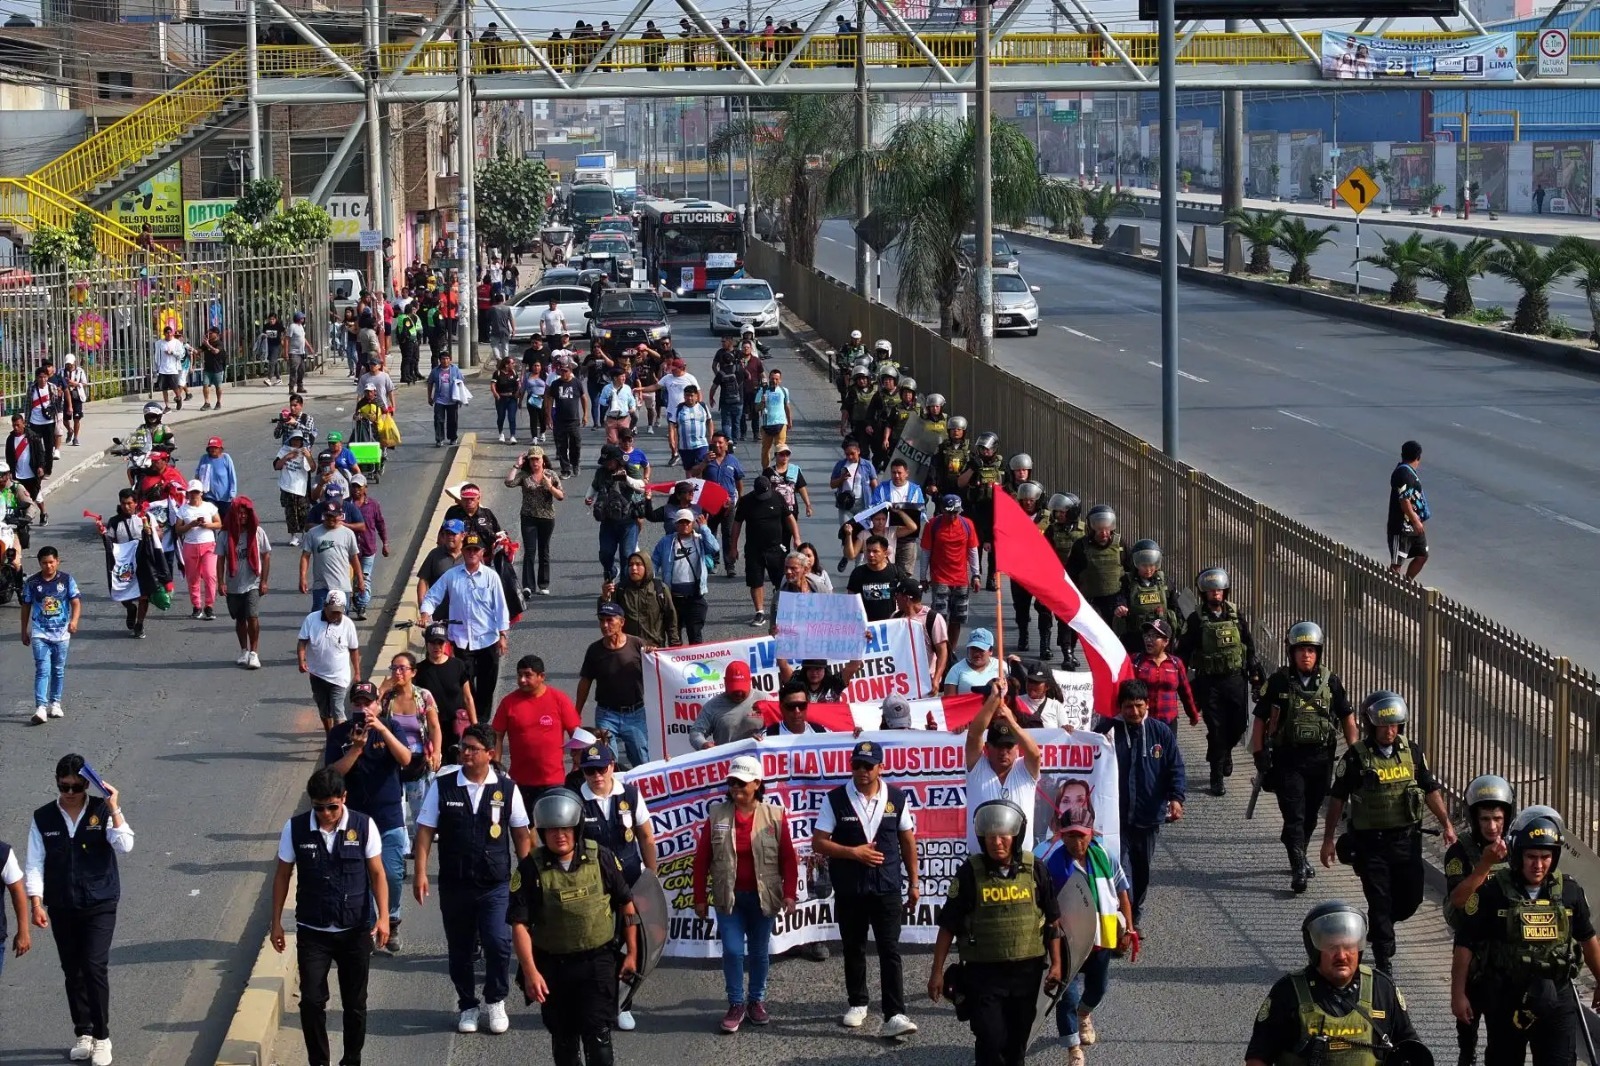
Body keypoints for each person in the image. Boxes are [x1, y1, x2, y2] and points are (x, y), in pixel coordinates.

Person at [1321, 691, 1456, 975]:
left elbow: (1430, 789)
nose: (1390, 731)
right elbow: (1337, 797)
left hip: (1407, 843)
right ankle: (1383, 956)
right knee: (1380, 898)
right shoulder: (1356, 758)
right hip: (1371, 845)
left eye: (1395, 725)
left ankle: (1382, 925)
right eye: (1384, 726)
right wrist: (1328, 839)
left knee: (1410, 900)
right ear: (1371, 726)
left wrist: (1447, 824)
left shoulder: (1413, 753)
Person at [1451, 813, 1600, 1066]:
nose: (1538, 865)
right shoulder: (1494, 891)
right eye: (1531, 857)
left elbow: (1588, 940)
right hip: (1506, 997)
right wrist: (1458, 994)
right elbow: (1465, 944)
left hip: (1557, 997)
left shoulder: (1569, 892)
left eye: (1545, 857)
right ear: (1518, 856)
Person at [413, 722, 532, 1035]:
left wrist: (528, 873)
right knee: (461, 948)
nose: (465, 753)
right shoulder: (444, 785)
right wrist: (421, 872)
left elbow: (521, 833)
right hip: (455, 883)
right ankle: (468, 1004)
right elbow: (425, 830)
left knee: (497, 942)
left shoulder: (507, 789)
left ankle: (495, 1000)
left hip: (495, 884)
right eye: (462, 747)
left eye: (472, 749)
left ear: (490, 754)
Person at [927, 798, 1063, 1066]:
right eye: (990, 836)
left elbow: (1052, 921)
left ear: (1015, 836)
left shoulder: (1035, 870)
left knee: (1017, 1044)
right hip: (984, 975)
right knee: (990, 1040)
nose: (997, 842)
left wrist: (1057, 964)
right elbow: (948, 926)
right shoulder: (969, 874)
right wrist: (936, 972)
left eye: (1003, 836)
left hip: (1027, 973)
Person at [509, 790, 640, 1066]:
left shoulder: (601, 858)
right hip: (552, 967)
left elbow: (627, 906)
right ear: (542, 832)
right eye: (552, 830)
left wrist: (632, 954)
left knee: (599, 1037)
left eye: (566, 828)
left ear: (577, 827)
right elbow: (519, 925)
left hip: (598, 963)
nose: (560, 835)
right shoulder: (530, 870)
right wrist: (531, 972)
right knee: (564, 1040)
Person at [270, 767, 388, 1066]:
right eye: (319, 807)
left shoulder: (363, 826)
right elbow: (283, 875)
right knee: (310, 1001)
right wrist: (275, 923)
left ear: (343, 799)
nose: (325, 814)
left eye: (332, 807)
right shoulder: (295, 829)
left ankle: (351, 1059)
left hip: (355, 929)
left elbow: (377, 873)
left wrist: (384, 916)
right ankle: (319, 1062)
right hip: (314, 929)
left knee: (355, 1004)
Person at [26, 754, 134, 1066]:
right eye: (64, 786)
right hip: (62, 904)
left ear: (88, 784)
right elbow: (34, 863)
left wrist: (113, 806)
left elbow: (124, 845)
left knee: (94, 966)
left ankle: (102, 1036)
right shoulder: (44, 817)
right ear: (57, 783)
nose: (70, 792)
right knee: (72, 970)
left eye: (76, 786)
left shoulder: (101, 809)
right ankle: (83, 1032)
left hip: (100, 902)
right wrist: (36, 903)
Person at [812, 740, 920, 1039]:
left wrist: (914, 881)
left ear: (880, 768)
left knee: (890, 949)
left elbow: (908, 841)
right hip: (850, 888)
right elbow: (819, 842)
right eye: (856, 765)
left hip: (886, 887)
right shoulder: (834, 799)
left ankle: (895, 1013)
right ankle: (858, 1002)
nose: (861, 771)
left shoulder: (896, 798)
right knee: (853, 947)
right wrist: (853, 853)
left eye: (868, 766)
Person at [692, 754, 800, 1033]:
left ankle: (756, 1001)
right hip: (729, 897)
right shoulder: (717, 814)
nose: (736, 789)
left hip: (764, 897)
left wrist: (789, 893)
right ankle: (736, 1003)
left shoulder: (774, 815)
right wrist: (700, 897)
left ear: (756, 784)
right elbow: (702, 858)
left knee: (759, 952)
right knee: (732, 950)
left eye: (742, 783)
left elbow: (788, 858)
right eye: (732, 783)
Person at [1251, 620, 1358, 894]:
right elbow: (1261, 717)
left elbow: (1347, 716)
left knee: (1310, 815)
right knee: (1294, 813)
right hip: (1289, 760)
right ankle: (1298, 864)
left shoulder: (1330, 681)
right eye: (1300, 650)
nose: (1306, 655)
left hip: (1321, 760)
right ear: (1292, 653)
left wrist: (1355, 752)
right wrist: (1259, 752)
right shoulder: (1278, 681)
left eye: (1311, 650)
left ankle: (1298, 848)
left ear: (1318, 652)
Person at [1246, 901, 1420, 1066]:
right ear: (1314, 949)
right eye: (1331, 947)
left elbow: (1411, 1049)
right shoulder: (1288, 993)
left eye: (1349, 947)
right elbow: (1258, 1056)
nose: (1341, 956)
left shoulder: (1382, 988)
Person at [1039, 813, 1135, 1064]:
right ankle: (1073, 1048)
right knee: (1066, 996)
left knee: (1098, 988)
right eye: (1070, 835)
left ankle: (1085, 1014)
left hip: (1101, 939)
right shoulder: (1052, 866)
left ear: (1090, 833)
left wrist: (1128, 929)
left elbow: (1122, 893)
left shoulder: (1105, 857)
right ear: (1062, 835)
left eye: (1080, 835)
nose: (1076, 841)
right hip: (1067, 944)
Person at [325, 682, 414, 953]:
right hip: (354, 820)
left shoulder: (390, 727)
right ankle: (366, 927)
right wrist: (355, 749)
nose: (363, 708)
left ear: (378, 704)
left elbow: (406, 758)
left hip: (388, 817)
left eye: (368, 702)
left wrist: (383, 730)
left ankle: (391, 918)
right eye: (358, 703)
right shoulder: (340, 734)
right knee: (357, 878)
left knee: (392, 874)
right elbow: (331, 775)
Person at [1098, 678, 1185, 927]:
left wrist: (1176, 798)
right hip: (1116, 818)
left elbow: (1175, 767)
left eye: (1138, 705)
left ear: (1147, 704)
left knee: (1142, 871)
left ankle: (1135, 914)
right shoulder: (1107, 730)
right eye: (1128, 707)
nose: (1134, 712)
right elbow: (1086, 756)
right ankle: (1122, 922)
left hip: (1149, 817)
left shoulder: (1161, 732)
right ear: (1120, 707)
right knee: (1120, 870)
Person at [1443, 773, 1516, 1066]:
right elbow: (1457, 902)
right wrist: (1485, 864)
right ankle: (1466, 1054)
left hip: (1507, 949)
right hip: (1471, 949)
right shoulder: (1459, 851)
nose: (1492, 826)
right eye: (1485, 819)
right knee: (1469, 1020)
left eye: (1497, 818)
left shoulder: (1516, 848)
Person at [1177, 566, 1261, 797]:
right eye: (1212, 591)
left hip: (1235, 680)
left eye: (1220, 590)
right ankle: (1216, 776)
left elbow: (1248, 644)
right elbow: (1183, 651)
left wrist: (1254, 672)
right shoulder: (1196, 620)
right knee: (1216, 729)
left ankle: (1225, 752)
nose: (1216, 594)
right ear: (1204, 593)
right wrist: (1177, 674)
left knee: (1238, 726)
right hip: (1209, 682)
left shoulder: (1235, 615)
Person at [419, 532, 511, 720]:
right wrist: (425, 613)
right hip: (461, 641)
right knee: (465, 684)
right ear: (463, 551)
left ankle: (483, 723)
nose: (471, 553)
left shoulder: (491, 577)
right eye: (468, 549)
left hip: (487, 639)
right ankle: (470, 719)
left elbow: (501, 607)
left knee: (487, 685)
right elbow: (432, 596)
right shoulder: (452, 576)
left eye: (475, 550)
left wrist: (503, 635)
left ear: (482, 553)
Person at [491, 654, 580, 810]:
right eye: (519, 675)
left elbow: (576, 734)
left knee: (553, 826)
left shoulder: (559, 699)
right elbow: (497, 735)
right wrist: (496, 765)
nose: (522, 680)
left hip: (553, 780)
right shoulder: (508, 702)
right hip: (520, 780)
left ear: (541, 677)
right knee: (525, 827)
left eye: (528, 675)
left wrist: (577, 765)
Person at [964, 678, 1042, 854]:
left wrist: (1011, 721)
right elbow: (973, 736)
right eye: (998, 746)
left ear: (1017, 748)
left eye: (1009, 746)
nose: (1003, 752)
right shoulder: (977, 767)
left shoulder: (1024, 770)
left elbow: (1035, 754)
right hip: (981, 861)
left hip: (1019, 861)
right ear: (987, 747)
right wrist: (993, 699)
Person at [576, 603, 651, 768]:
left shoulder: (637, 645)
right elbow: (585, 682)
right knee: (607, 761)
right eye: (601, 620)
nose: (605, 625)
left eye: (610, 620)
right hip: (606, 715)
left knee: (643, 761)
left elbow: (658, 670)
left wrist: (655, 654)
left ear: (622, 622)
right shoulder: (594, 650)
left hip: (635, 714)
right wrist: (576, 713)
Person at [20, 544, 80, 724]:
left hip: (61, 634)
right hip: (40, 633)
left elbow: (76, 602)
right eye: (44, 563)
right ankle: (40, 707)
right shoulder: (32, 583)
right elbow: (25, 607)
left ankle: (55, 703)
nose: (48, 566)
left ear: (57, 561)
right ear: (39, 563)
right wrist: (24, 630)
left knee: (58, 670)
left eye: (51, 562)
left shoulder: (66, 580)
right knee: (42, 669)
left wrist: (74, 621)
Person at [732, 475, 799, 628]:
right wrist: (733, 547)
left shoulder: (777, 497)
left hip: (776, 547)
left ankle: (785, 609)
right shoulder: (746, 501)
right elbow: (737, 524)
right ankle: (760, 612)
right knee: (756, 581)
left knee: (783, 580)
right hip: (754, 549)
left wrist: (797, 537)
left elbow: (790, 518)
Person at [921, 494, 981, 651]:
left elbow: (972, 550)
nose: (953, 516)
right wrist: (923, 577)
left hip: (961, 579)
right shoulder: (932, 525)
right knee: (939, 619)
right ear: (942, 510)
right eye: (950, 513)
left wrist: (976, 575)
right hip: (940, 578)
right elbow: (925, 552)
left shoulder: (967, 524)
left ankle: (951, 652)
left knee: (956, 619)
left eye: (956, 512)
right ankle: (939, 650)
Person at [298, 589, 362, 732]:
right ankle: (330, 736)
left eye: (339, 612)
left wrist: (357, 673)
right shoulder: (311, 619)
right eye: (332, 611)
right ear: (325, 606)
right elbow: (302, 641)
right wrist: (301, 660)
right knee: (324, 710)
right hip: (317, 675)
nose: (335, 615)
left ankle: (342, 742)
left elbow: (354, 650)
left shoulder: (348, 625)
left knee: (338, 711)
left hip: (339, 678)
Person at [652, 509, 719, 644]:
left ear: (693, 523)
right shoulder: (666, 542)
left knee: (695, 635)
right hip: (672, 598)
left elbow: (714, 548)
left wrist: (704, 528)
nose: (684, 525)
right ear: (676, 524)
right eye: (681, 522)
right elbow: (654, 561)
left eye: (687, 522)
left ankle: (696, 664)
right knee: (674, 637)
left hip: (694, 597)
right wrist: (653, 583)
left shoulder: (700, 540)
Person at [415, 623, 476, 764]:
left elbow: (467, 698)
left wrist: (474, 726)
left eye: (440, 642)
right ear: (427, 644)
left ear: (446, 643)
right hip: (432, 728)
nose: (437, 647)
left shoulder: (458, 665)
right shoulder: (419, 670)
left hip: (457, 726)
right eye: (432, 643)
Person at [506, 446, 563, 597]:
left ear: (543, 460)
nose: (534, 463)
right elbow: (509, 483)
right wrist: (516, 466)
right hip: (528, 517)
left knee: (544, 550)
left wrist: (549, 486)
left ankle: (543, 584)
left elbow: (560, 496)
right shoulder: (524, 475)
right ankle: (528, 586)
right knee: (530, 551)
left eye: (537, 459)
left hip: (547, 517)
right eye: (531, 460)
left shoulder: (550, 474)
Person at [1113, 538, 1183, 653]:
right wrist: (1120, 607)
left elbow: (1174, 606)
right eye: (1144, 565)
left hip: (1160, 636)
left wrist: (1177, 632)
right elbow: (1120, 597)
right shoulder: (1127, 581)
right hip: (1135, 637)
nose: (1148, 569)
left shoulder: (1165, 582)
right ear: (1136, 564)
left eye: (1151, 565)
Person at [1129, 618, 1199, 731]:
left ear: (1166, 641)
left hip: (1168, 723)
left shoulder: (1175, 663)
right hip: (1142, 723)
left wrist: (1193, 714)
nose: (1149, 640)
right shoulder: (1135, 661)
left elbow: (1186, 692)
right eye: (1147, 635)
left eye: (1155, 636)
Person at [1065, 505, 1128, 627]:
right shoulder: (1081, 546)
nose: (1104, 534)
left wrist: (1124, 601)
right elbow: (1071, 574)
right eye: (1100, 530)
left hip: (1116, 601)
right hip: (1091, 601)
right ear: (1091, 529)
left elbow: (1130, 570)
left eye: (1107, 529)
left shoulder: (1120, 544)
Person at [600, 551, 679, 647]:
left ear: (647, 567)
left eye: (638, 564)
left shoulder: (659, 589)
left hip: (654, 649)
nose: (633, 568)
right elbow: (605, 616)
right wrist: (605, 597)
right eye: (631, 565)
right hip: (627, 649)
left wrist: (674, 645)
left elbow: (671, 619)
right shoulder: (620, 589)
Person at [300, 501, 363, 612]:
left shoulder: (348, 534)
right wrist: (303, 578)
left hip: (342, 586)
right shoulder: (313, 533)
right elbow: (305, 556)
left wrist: (360, 579)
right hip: (321, 586)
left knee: (341, 620)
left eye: (334, 517)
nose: (330, 520)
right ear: (323, 515)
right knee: (319, 618)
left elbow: (354, 558)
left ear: (340, 515)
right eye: (328, 517)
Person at [688, 660, 765, 749]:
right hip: (728, 761)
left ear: (750, 682)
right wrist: (703, 744)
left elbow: (781, 727)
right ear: (725, 682)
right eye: (734, 690)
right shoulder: (712, 706)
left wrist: (764, 737)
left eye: (742, 690)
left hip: (759, 759)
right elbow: (696, 732)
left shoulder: (765, 700)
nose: (739, 694)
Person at [1388, 439, 1429, 581]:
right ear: (1418, 457)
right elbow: (1404, 501)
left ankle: (1407, 583)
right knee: (1397, 563)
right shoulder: (1404, 474)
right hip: (1401, 526)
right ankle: (1392, 589)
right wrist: (1415, 520)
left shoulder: (1409, 472)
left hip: (1413, 525)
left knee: (1422, 555)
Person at [848, 535, 902, 624]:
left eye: (875, 551)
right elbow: (851, 601)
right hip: (866, 624)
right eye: (868, 551)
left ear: (885, 553)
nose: (871, 555)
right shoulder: (857, 573)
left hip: (890, 624)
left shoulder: (895, 572)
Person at [274, 428, 315, 547]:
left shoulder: (306, 451)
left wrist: (308, 456)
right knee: (290, 512)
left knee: (304, 512)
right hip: (288, 486)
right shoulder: (284, 450)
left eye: (298, 440)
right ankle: (293, 536)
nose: (296, 442)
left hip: (301, 486)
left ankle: (305, 535)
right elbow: (276, 466)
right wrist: (287, 457)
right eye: (294, 440)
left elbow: (312, 468)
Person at [548, 358, 587, 477]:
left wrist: (585, 415)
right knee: (561, 446)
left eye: (566, 371)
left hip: (574, 420)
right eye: (562, 371)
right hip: (559, 420)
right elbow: (549, 399)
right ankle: (565, 469)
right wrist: (549, 416)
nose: (563, 373)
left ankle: (575, 463)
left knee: (575, 444)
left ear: (570, 371)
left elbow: (583, 398)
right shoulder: (555, 384)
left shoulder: (576, 383)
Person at [427, 350, 467, 447]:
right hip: (439, 400)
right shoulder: (435, 371)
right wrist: (429, 397)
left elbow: (461, 383)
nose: (445, 361)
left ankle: (453, 438)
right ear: (440, 360)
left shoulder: (455, 370)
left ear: (450, 360)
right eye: (443, 359)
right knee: (438, 420)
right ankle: (439, 439)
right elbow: (430, 383)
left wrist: (461, 398)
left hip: (452, 400)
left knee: (452, 421)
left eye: (447, 359)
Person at [946, 628, 1002, 695]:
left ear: (990, 651)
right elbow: (949, 701)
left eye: (981, 649)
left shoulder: (1001, 667)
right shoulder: (955, 670)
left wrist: (1015, 667)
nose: (976, 653)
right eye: (973, 649)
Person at [195, 436, 238, 520]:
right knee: (209, 520)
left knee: (225, 522)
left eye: (215, 447)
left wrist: (232, 493)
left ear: (220, 449)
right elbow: (197, 473)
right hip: (208, 496)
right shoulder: (204, 458)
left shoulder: (226, 458)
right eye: (211, 448)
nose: (213, 450)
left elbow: (232, 476)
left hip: (224, 497)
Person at [153, 324, 186, 410]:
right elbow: (156, 355)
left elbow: (181, 355)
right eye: (167, 333)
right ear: (164, 334)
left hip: (173, 369)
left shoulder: (176, 342)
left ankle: (178, 398)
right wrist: (156, 368)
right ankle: (167, 406)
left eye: (170, 333)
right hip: (162, 369)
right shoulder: (159, 343)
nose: (169, 335)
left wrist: (172, 353)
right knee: (164, 389)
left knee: (175, 387)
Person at [62, 354, 88, 447]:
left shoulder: (80, 371)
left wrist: (75, 384)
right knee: (64, 419)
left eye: (70, 364)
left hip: (77, 396)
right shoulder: (61, 372)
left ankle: (75, 438)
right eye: (67, 364)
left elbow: (85, 383)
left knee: (77, 418)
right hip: (65, 397)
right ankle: (70, 430)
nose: (69, 366)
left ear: (74, 363)